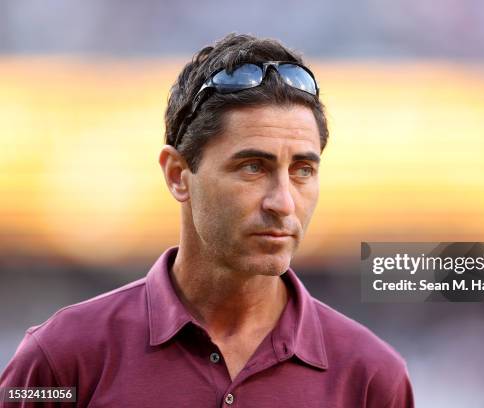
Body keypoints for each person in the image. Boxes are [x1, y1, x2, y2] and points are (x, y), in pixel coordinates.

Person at [0, 33, 414, 407]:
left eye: (302, 170)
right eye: (253, 167)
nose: (283, 202)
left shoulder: (372, 380)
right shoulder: (61, 360)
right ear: (178, 175)